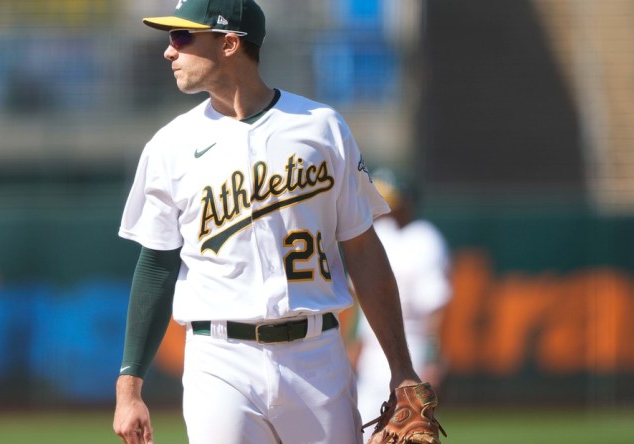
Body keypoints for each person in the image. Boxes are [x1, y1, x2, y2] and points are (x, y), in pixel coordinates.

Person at [112, 1, 424, 443]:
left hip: (316, 355)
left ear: (229, 44)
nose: (169, 51)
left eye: (182, 37)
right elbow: (156, 266)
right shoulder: (170, 146)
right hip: (220, 358)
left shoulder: (321, 127)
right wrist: (129, 388)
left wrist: (402, 369)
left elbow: (362, 248)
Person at [349, 170, 452, 443]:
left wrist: (432, 356)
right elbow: (363, 302)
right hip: (372, 348)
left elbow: (435, 306)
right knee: (361, 429)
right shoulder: (377, 233)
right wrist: (355, 348)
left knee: (406, 429)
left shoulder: (425, 239)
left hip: (411, 346)